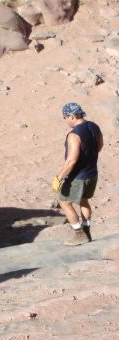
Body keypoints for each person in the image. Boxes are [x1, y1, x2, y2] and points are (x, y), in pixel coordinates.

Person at [52, 102, 103, 246]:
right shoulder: (94, 126)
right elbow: (100, 145)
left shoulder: (74, 135)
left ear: (72, 116)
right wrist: (89, 157)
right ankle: (87, 232)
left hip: (78, 176)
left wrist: (58, 179)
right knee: (84, 200)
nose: (65, 121)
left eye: (65, 118)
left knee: (64, 202)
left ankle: (79, 234)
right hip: (92, 173)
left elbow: (71, 161)